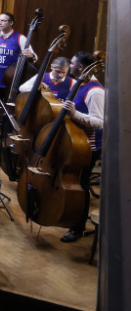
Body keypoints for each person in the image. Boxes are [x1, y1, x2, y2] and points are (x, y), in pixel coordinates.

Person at [60, 51, 105, 243]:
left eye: (71, 64)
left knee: (81, 185)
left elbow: (99, 122)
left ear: (80, 67)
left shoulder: (95, 91)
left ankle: (78, 228)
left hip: (88, 147)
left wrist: (74, 113)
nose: (69, 66)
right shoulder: (81, 83)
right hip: (78, 142)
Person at [0, 12, 36, 141]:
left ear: (11, 23)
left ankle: (7, 132)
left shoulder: (20, 38)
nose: (0, 23)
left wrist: (31, 56)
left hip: (12, 81)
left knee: (10, 109)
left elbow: (33, 56)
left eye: (3, 21)